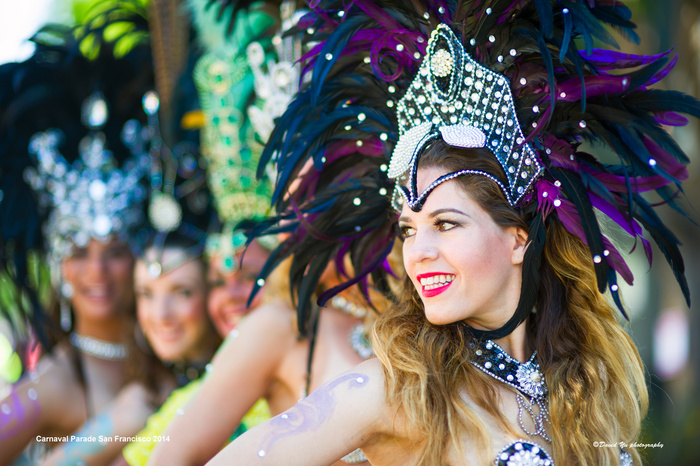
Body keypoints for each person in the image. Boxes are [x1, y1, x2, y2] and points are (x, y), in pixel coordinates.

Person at [206, 1, 699, 464]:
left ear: (517, 238)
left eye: (445, 224)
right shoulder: (397, 389)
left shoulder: (586, 384)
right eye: (409, 229)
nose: (418, 253)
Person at [0, 21, 154, 464]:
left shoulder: (171, 343)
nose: (97, 272)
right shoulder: (51, 384)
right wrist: (96, 440)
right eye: (78, 252)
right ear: (56, 260)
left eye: (116, 252)